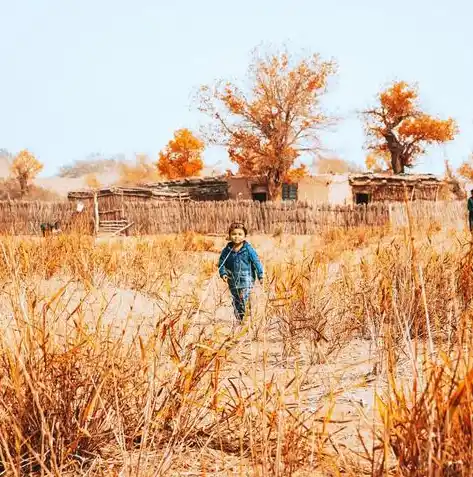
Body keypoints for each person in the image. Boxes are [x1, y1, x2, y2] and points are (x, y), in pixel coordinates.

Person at [218, 222, 264, 322]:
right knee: (236, 300)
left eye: (240, 234)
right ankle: (239, 318)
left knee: (244, 298)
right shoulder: (227, 250)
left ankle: (246, 317)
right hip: (232, 280)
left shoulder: (248, 249)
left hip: (247, 279)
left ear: (244, 236)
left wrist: (260, 275)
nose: (236, 237)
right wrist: (223, 273)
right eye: (234, 234)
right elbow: (221, 263)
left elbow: (256, 261)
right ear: (229, 236)